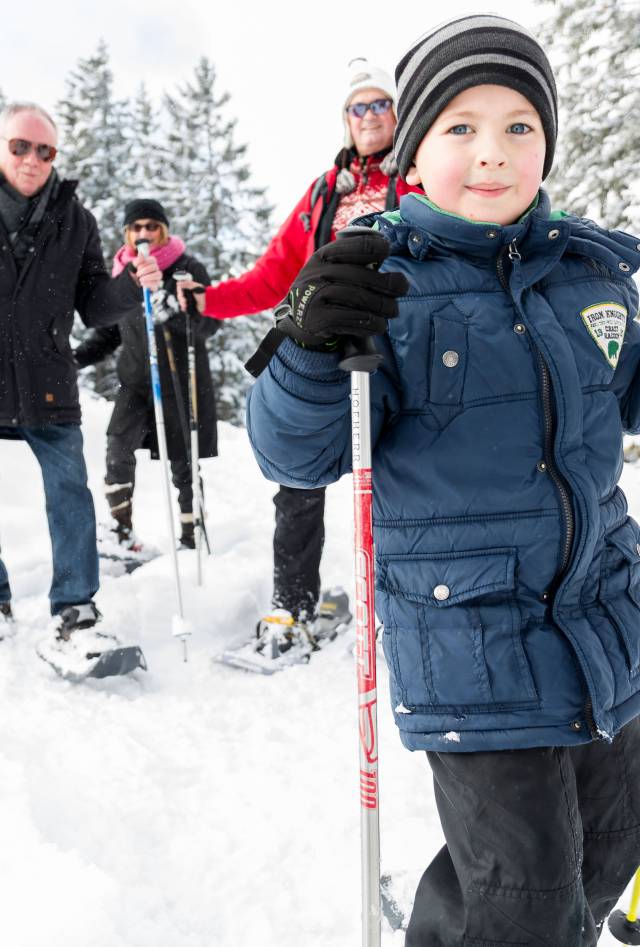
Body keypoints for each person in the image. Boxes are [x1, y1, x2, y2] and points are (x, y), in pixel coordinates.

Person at [244, 15, 640, 945]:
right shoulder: (386, 284)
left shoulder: (590, 277)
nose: (492, 153)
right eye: (461, 127)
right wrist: (308, 348)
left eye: (518, 127)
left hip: (611, 629)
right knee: (527, 899)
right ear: (415, 150)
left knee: (609, 845)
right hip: (475, 652)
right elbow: (292, 454)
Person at [178, 59, 421, 656]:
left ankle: (411, 609)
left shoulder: (420, 179)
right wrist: (206, 302)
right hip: (322, 352)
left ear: (398, 114)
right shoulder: (322, 194)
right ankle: (292, 607)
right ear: (346, 120)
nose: (370, 116)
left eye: (380, 105)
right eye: (358, 107)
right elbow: (272, 278)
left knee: (405, 480)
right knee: (298, 483)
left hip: (403, 353)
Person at [0, 103, 161, 644]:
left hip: (47, 378)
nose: (31, 159)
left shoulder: (75, 220)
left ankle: (74, 609)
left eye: (44, 150)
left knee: (69, 491)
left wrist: (132, 285)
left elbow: (95, 305)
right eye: (20, 146)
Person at [75, 199, 218, 552]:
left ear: (163, 229)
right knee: (117, 449)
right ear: (127, 233)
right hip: (136, 383)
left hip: (180, 380)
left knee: (184, 460)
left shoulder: (187, 268)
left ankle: (190, 535)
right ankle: (122, 531)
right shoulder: (123, 274)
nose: (144, 233)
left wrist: (177, 309)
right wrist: (72, 360)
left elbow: (212, 322)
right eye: (136, 227)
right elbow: (110, 333)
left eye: (151, 226)